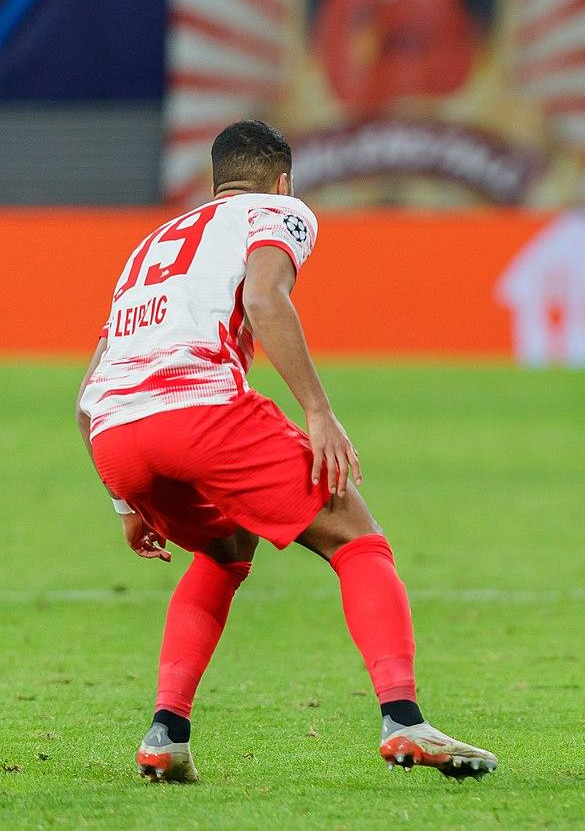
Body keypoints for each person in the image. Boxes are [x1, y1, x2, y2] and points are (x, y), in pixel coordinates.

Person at [76, 120, 497, 782]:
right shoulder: (277, 211)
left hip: (114, 434)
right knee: (358, 541)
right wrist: (318, 412)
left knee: (224, 550)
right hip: (200, 408)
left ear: (215, 182)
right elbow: (263, 296)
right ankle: (404, 719)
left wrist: (126, 502)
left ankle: (166, 732)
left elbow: (86, 394)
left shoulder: (151, 245)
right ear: (282, 181)